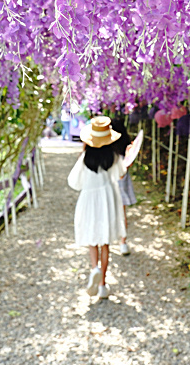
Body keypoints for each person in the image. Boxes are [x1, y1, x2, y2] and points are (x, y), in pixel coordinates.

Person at [67, 116, 127, 300]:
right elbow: (121, 175)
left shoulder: (85, 157)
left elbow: (74, 182)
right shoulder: (114, 156)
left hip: (89, 198)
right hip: (108, 198)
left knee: (92, 239)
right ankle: (102, 285)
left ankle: (94, 268)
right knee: (105, 242)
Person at [110, 117, 136, 255]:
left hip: (111, 182)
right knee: (121, 214)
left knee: (108, 213)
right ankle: (123, 243)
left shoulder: (108, 146)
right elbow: (128, 165)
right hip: (122, 180)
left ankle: (108, 241)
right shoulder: (125, 147)